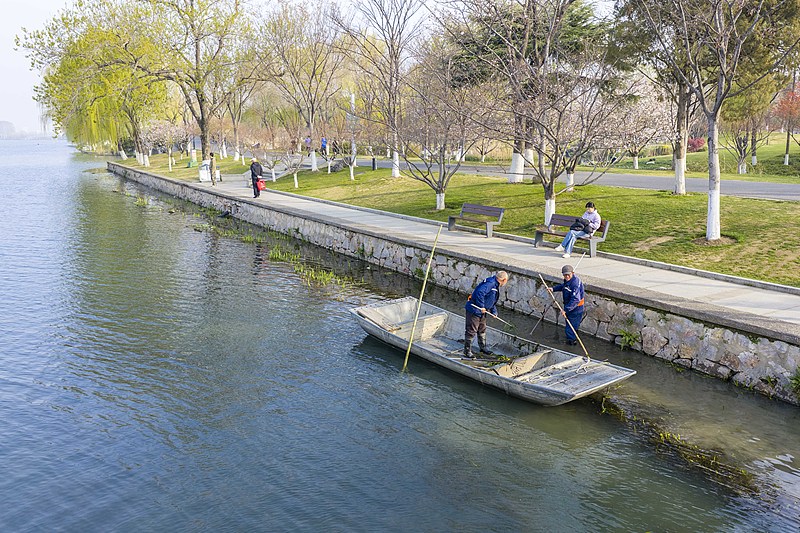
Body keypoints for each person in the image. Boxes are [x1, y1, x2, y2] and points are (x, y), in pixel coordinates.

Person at [463, 271, 509, 358]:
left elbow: (491, 300)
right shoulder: (490, 283)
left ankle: (483, 348)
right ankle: (467, 351)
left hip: (482, 312)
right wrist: (481, 306)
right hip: (474, 310)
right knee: (472, 330)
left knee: (482, 329)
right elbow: (480, 292)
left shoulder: (495, 285)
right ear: (504, 280)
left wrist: (494, 312)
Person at [547, 264, 585, 346]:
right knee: (570, 325)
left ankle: (571, 342)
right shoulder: (568, 281)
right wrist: (553, 289)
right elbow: (563, 287)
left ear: (572, 273)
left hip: (576, 308)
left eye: (568, 275)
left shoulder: (575, 284)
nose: (567, 276)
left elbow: (576, 299)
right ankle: (571, 338)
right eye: (565, 275)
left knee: (570, 328)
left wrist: (566, 310)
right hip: (569, 306)